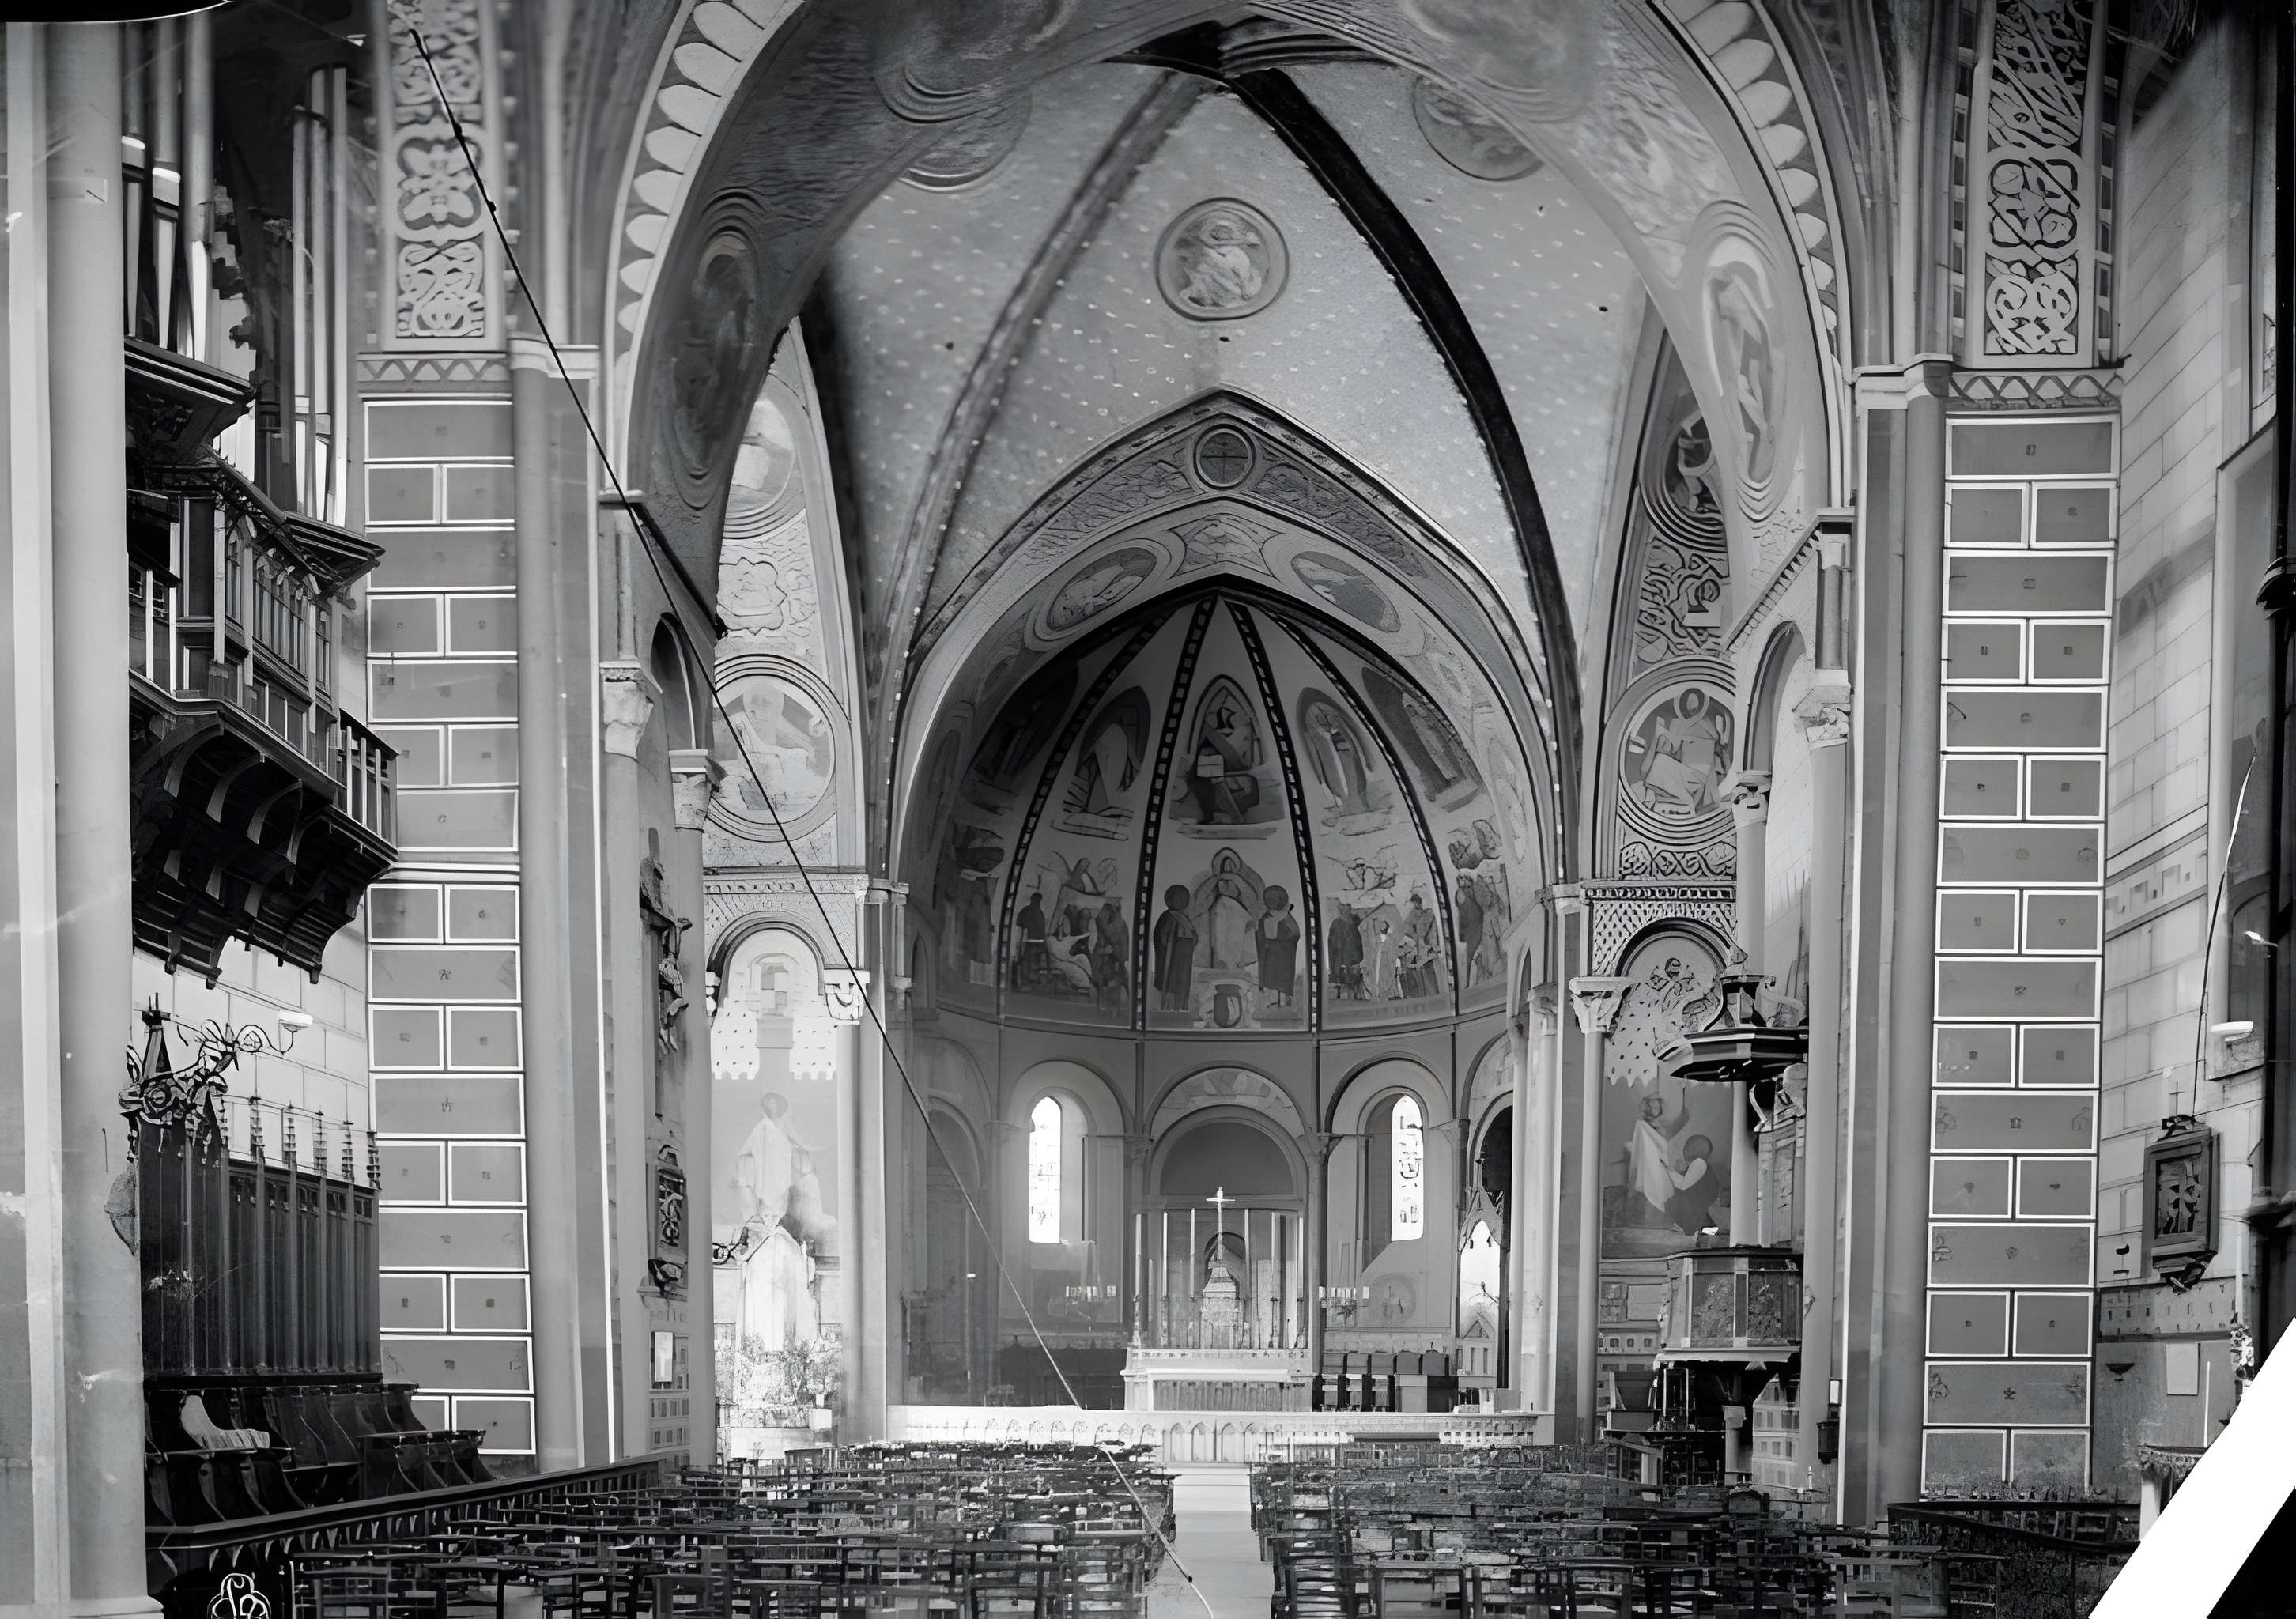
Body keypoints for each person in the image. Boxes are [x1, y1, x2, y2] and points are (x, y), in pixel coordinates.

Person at [1151, 885, 1197, 1011]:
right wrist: (1169, 943)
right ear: (1171, 899)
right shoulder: (1168, 915)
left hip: (1185, 951)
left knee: (1183, 979)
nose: (1182, 901)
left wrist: (1192, 940)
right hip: (1174, 953)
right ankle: (1168, 1007)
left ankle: (1182, 1006)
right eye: (1178, 898)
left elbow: (1193, 933)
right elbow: (1162, 935)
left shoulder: (1185, 916)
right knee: (1171, 979)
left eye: (1184, 898)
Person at [1256, 885, 1301, 1008]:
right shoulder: (1267, 918)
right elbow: (1263, 938)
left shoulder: (1285, 917)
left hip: (1284, 956)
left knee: (1283, 979)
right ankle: (1272, 1002)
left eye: (1274, 898)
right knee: (1272, 979)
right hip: (1271, 957)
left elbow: (1295, 934)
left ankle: (1284, 1002)